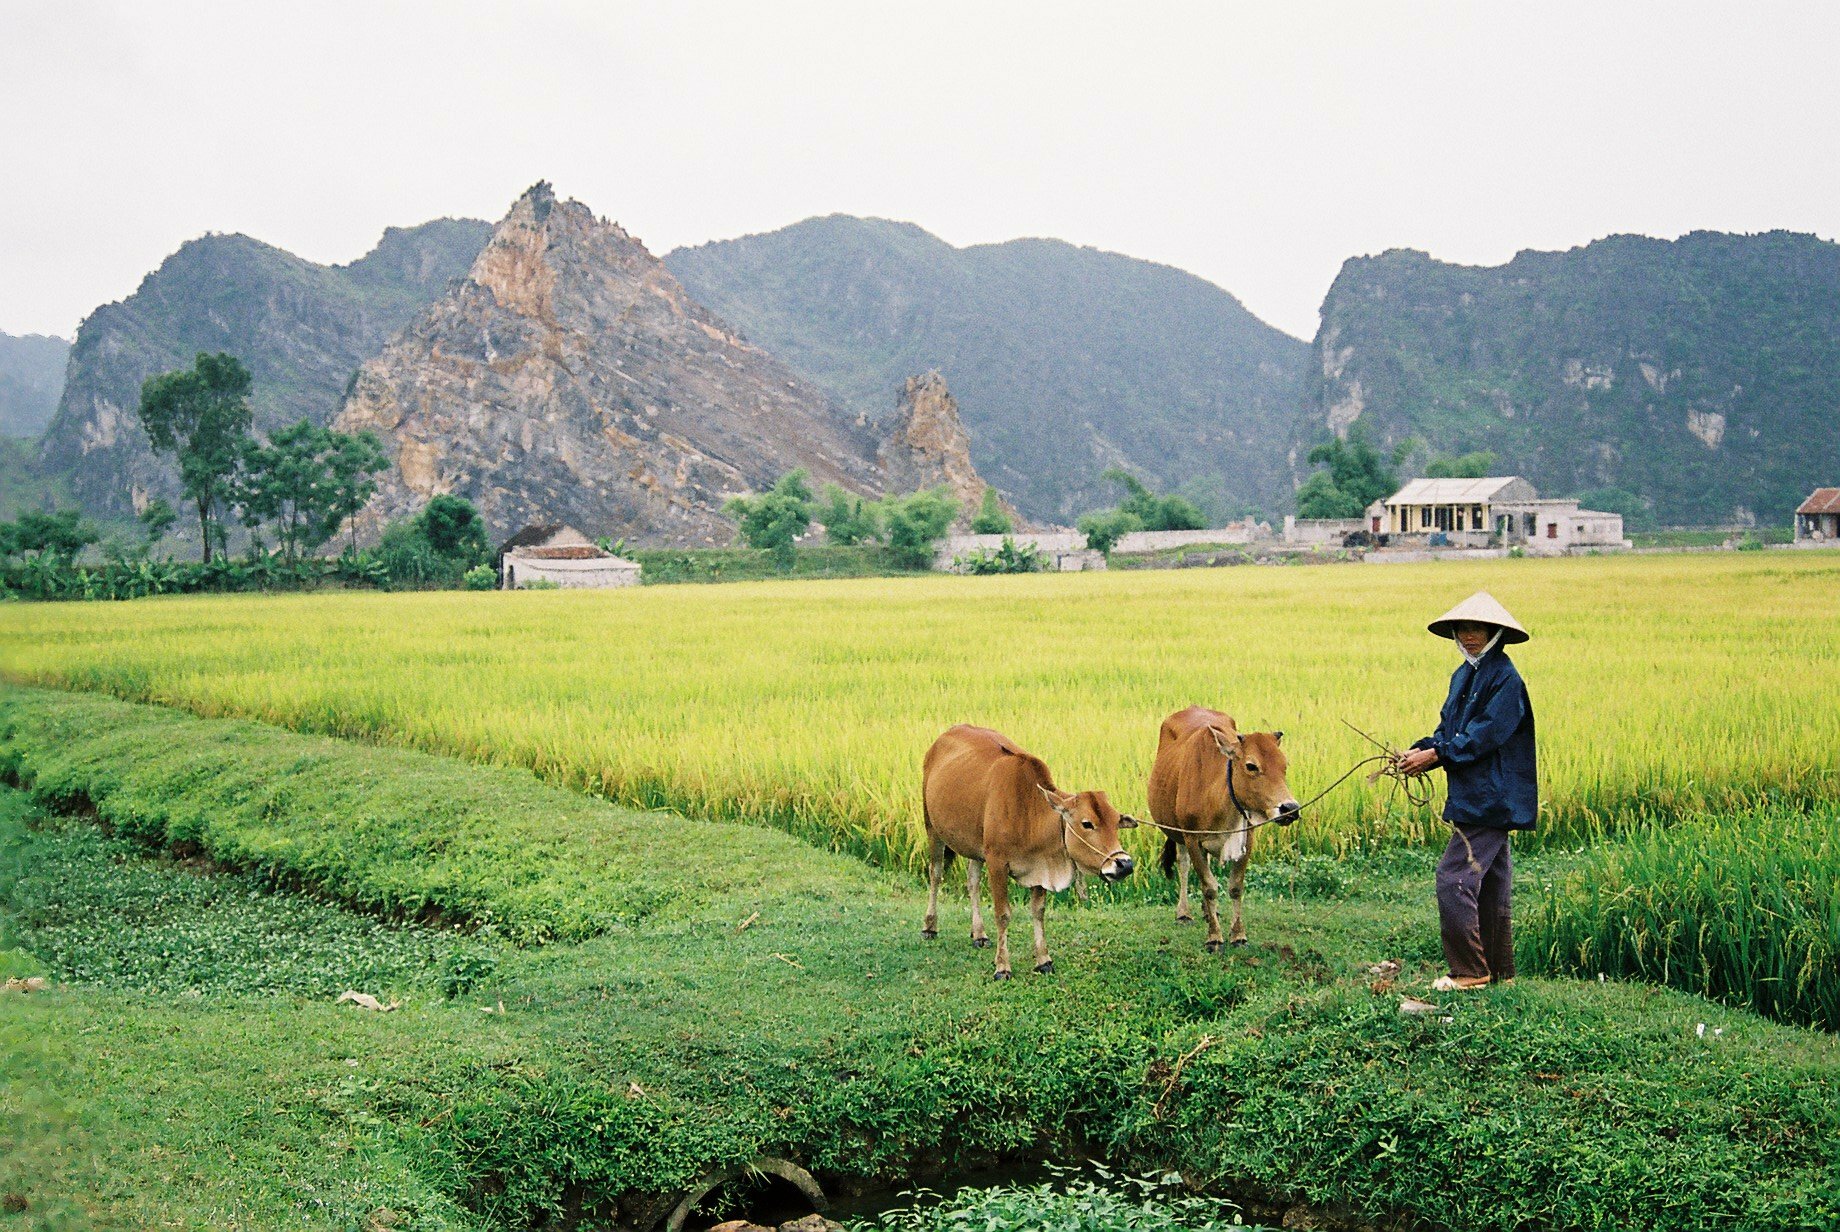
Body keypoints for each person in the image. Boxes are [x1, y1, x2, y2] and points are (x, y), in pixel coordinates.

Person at [1396, 591, 1537, 992]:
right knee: (1491, 885)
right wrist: (1423, 748)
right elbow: (1449, 731)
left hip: (1493, 797)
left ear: (1495, 632)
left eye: (1477, 628)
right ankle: (1499, 973)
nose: (1469, 635)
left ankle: (1469, 972)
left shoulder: (1506, 680)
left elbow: (1482, 737)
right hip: (1472, 794)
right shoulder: (1464, 675)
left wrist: (1437, 755)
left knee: (1452, 878)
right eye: (1463, 628)